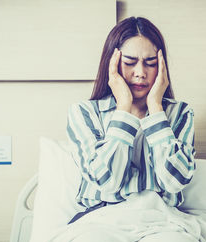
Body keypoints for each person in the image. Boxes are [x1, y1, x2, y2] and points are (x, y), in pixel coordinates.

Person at [67, 16, 196, 219]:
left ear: (162, 66)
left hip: (162, 219)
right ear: (112, 64)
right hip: (100, 218)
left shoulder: (180, 113)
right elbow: (107, 182)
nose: (140, 73)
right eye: (129, 62)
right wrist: (123, 108)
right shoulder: (85, 113)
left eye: (150, 63)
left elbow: (174, 182)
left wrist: (156, 108)